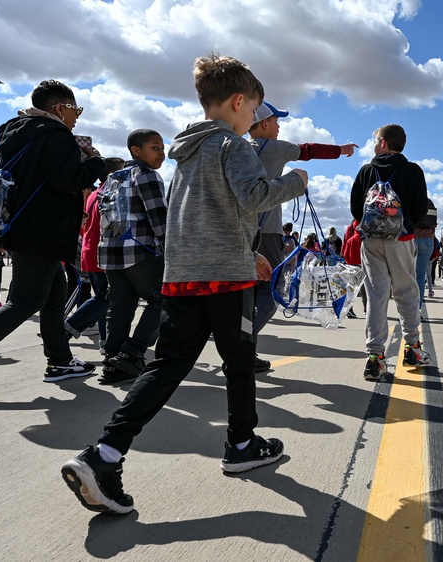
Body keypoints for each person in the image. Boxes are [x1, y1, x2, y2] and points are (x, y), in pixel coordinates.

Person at [61, 53, 308, 514]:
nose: (255, 118)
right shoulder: (233, 147)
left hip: (184, 276)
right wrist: (294, 181)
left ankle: (104, 453)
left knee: (168, 366)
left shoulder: (186, 154)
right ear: (238, 101)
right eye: (254, 109)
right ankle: (240, 445)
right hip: (225, 280)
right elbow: (254, 197)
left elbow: (200, 214)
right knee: (238, 363)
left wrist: (244, 248)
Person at [0, 81, 104, 399]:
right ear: (59, 108)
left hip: (18, 228)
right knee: (23, 302)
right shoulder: (56, 136)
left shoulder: (11, 137)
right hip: (43, 231)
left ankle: (61, 361)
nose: (77, 117)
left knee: (54, 296)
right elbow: (69, 180)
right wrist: (95, 163)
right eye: (75, 109)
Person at [247, 103, 356, 370]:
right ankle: (243, 345)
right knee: (271, 292)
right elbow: (307, 150)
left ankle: (238, 344)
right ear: (263, 125)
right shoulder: (274, 148)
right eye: (275, 121)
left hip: (238, 231)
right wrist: (340, 151)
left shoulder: (239, 150)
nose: (279, 126)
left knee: (244, 294)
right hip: (267, 232)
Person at [350, 124, 431, 381]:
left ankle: (375, 357)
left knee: (376, 295)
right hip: (401, 239)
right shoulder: (412, 171)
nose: (373, 144)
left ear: (383, 142)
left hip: (371, 242)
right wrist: (403, 223)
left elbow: (355, 208)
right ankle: (413, 348)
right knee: (406, 292)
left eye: (375, 140)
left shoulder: (366, 171)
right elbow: (420, 210)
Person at [97, 130, 168, 385]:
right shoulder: (148, 176)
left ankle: (113, 360)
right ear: (136, 151)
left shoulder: (113, 178)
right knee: (164, 300)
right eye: (155, 148)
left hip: (110, 252)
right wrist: (171, 250)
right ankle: (133, 352)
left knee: (120, 305)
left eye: (162, 147)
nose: (162, 153)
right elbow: (159, 218)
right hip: (140, 251)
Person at [65, 157, 126, 350]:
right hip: (104, 253)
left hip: (90, 250)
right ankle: (68, 327)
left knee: (104, 296)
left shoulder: (94, 194)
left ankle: (105, 340)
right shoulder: (111, 193)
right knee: (106, 297)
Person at [412, 198, 437, 304]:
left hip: (413, 239)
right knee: (421, 275)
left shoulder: (413, 201)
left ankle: (409, 309)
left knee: (409, 274)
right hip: (428, 240)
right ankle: (418, 308)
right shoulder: (430, 203)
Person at [341, 219, 366, 319]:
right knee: (366, 289)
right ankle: (367, 308)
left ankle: (349, 309)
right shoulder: (365, 233)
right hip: (363, 265)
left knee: (351, 288)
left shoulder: (350, 230)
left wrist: (346, 260)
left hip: (351, 264)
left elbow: (345, 249)